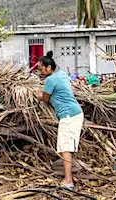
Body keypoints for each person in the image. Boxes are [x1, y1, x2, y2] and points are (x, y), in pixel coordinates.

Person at [34, 51, 84, 191]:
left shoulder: (50, 80)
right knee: (67, 147)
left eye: (42, 70)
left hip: (68, 116)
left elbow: (45, 99)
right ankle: (69, 176)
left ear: (49, 68)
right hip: (76, 113)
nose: (41, 73)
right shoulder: (61, 74)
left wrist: (38, 94)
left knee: (65, 148)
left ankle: (68, 181)